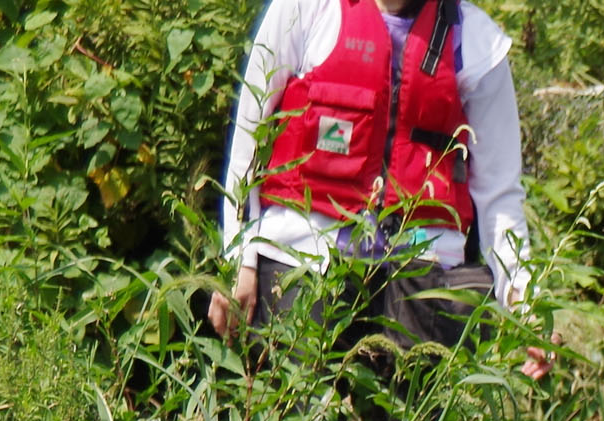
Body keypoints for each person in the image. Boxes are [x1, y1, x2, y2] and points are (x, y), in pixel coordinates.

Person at [206, 0, 545, 377]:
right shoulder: (306, 9)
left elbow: (500, 193)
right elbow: (250, 139)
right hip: (304, 259)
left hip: (422, 274)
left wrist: (524, 305)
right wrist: (241, 260)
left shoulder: (479, 43)